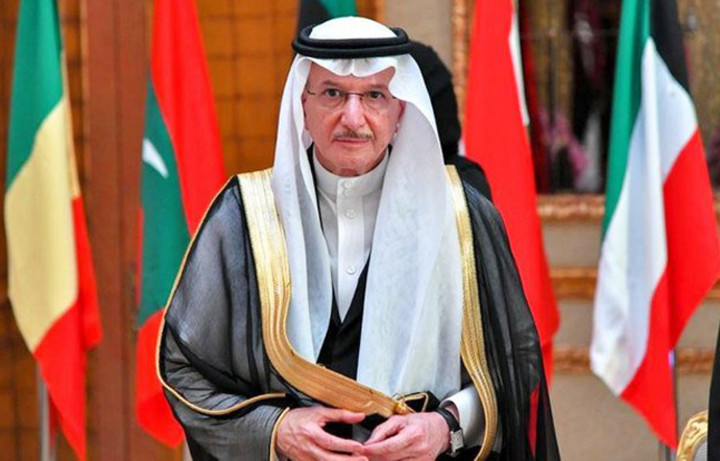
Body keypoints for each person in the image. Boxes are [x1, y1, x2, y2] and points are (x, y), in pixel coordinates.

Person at [158, 17, 559, 460]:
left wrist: (447, 425)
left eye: (374, 96)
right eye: (332, 93)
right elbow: (183, 366)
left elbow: (517, 360)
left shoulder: (461, 214)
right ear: (303, 104)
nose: (353, 118)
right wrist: (274, 430)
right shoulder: (245, 216)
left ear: (400, 110)